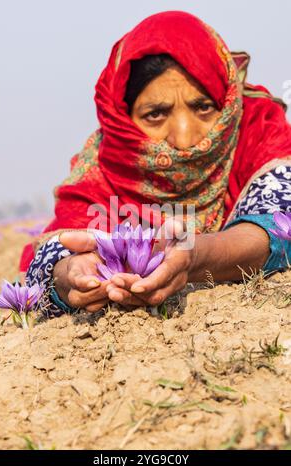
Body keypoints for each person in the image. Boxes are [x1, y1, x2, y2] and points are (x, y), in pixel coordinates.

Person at [20, 11, 291, 316]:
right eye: (156, 114)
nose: (185, 138)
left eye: (203, 107)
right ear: (124, 118)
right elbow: (57, 250)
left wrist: (193, 256)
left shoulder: (258, 131)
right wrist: (70, 274)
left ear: (226, 103)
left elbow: (282, 224)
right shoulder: (106, 168)